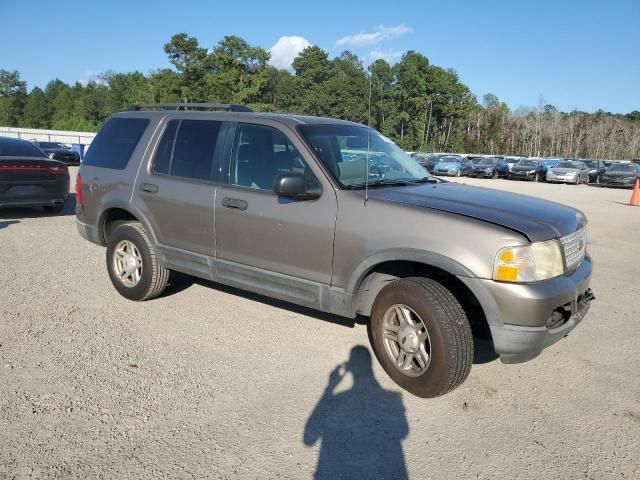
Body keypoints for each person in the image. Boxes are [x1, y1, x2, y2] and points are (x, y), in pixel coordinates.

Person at [304, 346, 409, 480]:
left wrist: (330, 387)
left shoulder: (339, 399)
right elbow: (403, 431)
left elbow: (309, 439)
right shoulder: (393, 398)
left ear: (350, 369)